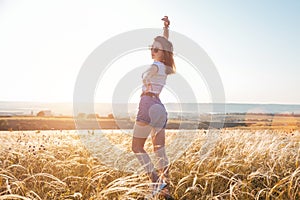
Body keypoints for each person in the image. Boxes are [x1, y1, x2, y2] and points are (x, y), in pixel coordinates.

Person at [131, 17, 175, 199]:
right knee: (160, 150)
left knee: (136, 147)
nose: (152, 51)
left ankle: (157, 182)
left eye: (155, 49)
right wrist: (165, 29)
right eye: (151, 48)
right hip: (159, 107)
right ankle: (167, 191)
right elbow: (164, 44)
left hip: (148, 104)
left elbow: (152, 70)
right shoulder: (165, 66)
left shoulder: (157, 66)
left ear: (162, 53)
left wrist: (147, 75)